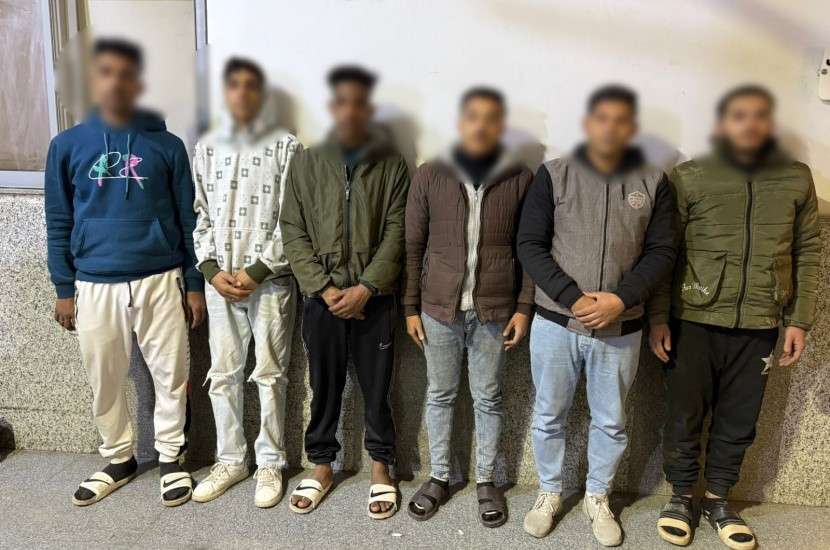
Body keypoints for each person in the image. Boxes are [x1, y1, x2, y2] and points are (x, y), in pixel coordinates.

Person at [648, 85, 820, 550]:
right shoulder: (689, 177)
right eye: (739, 116)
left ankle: (718, 500)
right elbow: (666, 251)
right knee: (684, 416)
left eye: (760, 115)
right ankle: (681, 496)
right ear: (722, 126)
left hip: (760, 323)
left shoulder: (796, 178)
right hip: (692, 319)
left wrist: (799, 320)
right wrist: (658, 317)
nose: (750, 124)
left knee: (739, 421)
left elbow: (807, 251)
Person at [45, 38, 206, 507]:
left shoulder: (168, 145)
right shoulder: (66, 145)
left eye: (126, 74)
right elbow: (59, 220)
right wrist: (63, 286)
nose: (116, 81)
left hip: (161, 277)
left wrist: (194, 283)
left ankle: (172, 458)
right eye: (106, 72)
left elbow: (188, 218)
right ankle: (119, 457)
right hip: (94, 282)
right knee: (105, 378)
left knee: (171, 374)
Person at [517, 85, 676, 546]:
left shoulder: (653, 182)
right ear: (588, 124)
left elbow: (662, 251)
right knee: (549, 414)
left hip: (621, 327)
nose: (611, 128)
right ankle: (549, 493)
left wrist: (621, 299)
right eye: (602, 118)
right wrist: (573, 298)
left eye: (621, 120)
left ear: (632, 128)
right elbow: (530, 244)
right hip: (555, 322)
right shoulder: (555, 175)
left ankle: (597, 496)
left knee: (611, 420)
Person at [279, 66, 410, 519]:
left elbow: (397, 230)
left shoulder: (391, 164)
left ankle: (380, 466)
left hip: (376, 299)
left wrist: (367, 287)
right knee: (324, 385)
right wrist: (323, 287)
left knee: (377, 386)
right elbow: (292, 228)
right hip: (322, 300)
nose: (351, 111)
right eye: (342, 102)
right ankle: (321, 466)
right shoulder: (307, 162)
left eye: (359, 103)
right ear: (332, 107)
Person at [401, 87, 533, 527]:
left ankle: (487, 481)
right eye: (473, 116)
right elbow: (413, 246)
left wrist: (524, 307)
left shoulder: (519, 177)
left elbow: (530, 248)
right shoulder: (430, 174)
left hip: (494, 311)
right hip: (438, 310)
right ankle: (439, 476)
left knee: (488, 397)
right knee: (439, 394)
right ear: (461, 123)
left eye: (491, 118)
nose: (481, 125)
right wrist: (410, 306)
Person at [190, 58, 301, 508]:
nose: (241, 92)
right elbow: (200, 214)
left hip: (270, 281)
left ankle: (271, 461)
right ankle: (231, 459)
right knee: (223, 373)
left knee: (270, 374)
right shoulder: (206, 148)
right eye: (233, 85)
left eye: (250, 85)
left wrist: (257, 270)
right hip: (220, 282)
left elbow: (294, 219)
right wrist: (212, 270)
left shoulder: (287, 146)